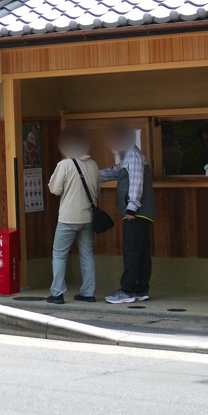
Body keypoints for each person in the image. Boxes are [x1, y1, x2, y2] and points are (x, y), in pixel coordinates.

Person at [100, 123, 155, 305]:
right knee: (141, 251)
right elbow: (115, 172)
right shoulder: (129, 156)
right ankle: (141, 289)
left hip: (136, 213)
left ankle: (127, 290)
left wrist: (132, 207)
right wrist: (90, 173)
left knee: (131, 252)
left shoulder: (134, 156)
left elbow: (137, 181)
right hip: (141, 213)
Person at [46, 127, 100, 305]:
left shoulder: (65, 165)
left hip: (68, 218)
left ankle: (57, 293)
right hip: (88, 217)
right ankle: (88, 292)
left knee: (60, 255)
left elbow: (55, 189)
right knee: (87, 255)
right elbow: (97, 191)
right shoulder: (93, 165)